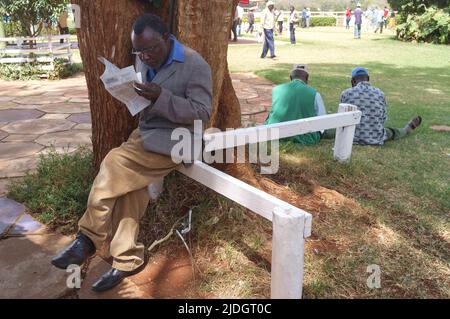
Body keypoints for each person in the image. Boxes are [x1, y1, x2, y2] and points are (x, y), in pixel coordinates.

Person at [51, 13, 213, 292]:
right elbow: (144, 92)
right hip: (147, 134)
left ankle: (88, 238)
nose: (144, 57)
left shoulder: (194, 63)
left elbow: (202, 112)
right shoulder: (143, 55)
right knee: (129, 191)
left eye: (150, 50)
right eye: (138, 50)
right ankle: (128, 259)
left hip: (178, 140)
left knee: (114, 162)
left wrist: (161, 96)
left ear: (166, 38)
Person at [340, 67, 422, 145]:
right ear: (368, 79)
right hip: (377, 137)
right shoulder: (380, 93)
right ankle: (407, 129)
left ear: (353, 81)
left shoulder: (346, 93)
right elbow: (383, 118)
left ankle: (326, 131)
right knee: (392, 132)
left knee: (332, 130)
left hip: (350, 137)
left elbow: (342, 119)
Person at [264, 65, 327, 145]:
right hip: (305, 137)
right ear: (307, 78)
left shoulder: (276, 90)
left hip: (274, 133)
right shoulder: (314, 94)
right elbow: (323, 120)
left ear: (290, 77)